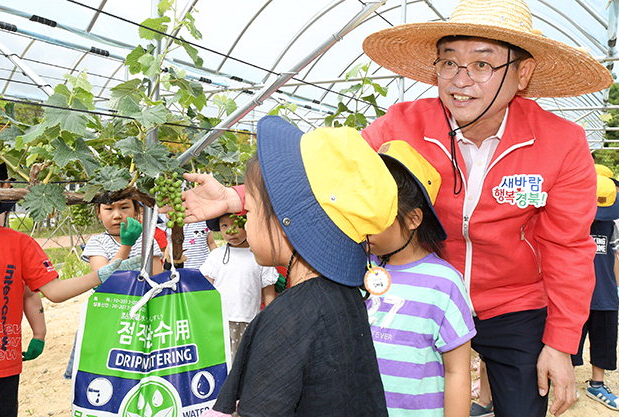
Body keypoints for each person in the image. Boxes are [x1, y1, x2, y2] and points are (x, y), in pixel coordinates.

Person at [359, 0, 611, 415]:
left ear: (522, 73)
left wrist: (560, 343)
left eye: (481, 65)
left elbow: (568, 246)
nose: (460, 80)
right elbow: (337, 177)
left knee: (523, 407)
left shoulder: (561, 143)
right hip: (422, 294)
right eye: (449, 62)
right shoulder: (403, 125)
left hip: (515, 306)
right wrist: (241, 198)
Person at [197, 116, 394, 416]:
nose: (245, 223)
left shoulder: (288, 318)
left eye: (248, 210)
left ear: (286, 222)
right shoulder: (342, 295)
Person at [0, 152, 142, 417]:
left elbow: (53, 292)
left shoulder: (20, 243)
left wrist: (107, 270)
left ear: (6, 191)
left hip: (0, 369)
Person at [366, 140, 475, 416]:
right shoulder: (357, 267)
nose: (363, 224)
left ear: (414, 218)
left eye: (376, 215)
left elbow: (457, 371)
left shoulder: (443, 282)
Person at [63, 189, 163, 379]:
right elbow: (103, 280)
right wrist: (127, 245)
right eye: (109, 209)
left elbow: (157, 277)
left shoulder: (148, 241)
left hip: (142, 314)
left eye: (124, 207)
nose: (117, 215)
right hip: (109, 314)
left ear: (137, 212)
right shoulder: (98, 242)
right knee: (106, 366)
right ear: (98, 213)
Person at [571, 171, 619, 411]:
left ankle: (597, 383)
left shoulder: (612, 225)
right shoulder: (571, 220)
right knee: (569, 339)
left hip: (604, 294)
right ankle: (566, 382)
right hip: (573, 293)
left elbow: (616, 257)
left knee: (603, 339)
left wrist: (616, 288)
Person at [200, 213, 277, 360]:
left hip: (250, 320)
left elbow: (269, 293)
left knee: (244, 362)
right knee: (222, 361)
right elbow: (205, 289)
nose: (231, 231)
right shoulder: (216, 256)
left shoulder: (260, 256)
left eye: (237, 224)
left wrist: (271, 320)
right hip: (220, 321)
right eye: (225, 226)